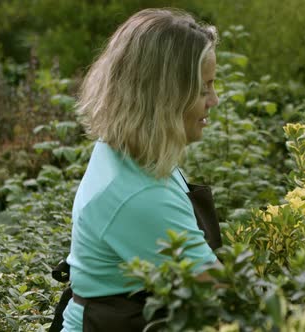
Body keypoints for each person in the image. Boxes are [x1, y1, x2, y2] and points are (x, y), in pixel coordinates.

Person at [54, 8, 222, 331]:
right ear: (166, 97)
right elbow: (223, 295)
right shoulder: (139, 194)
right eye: (203, 89)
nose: (214, 99)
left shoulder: (127, 150)